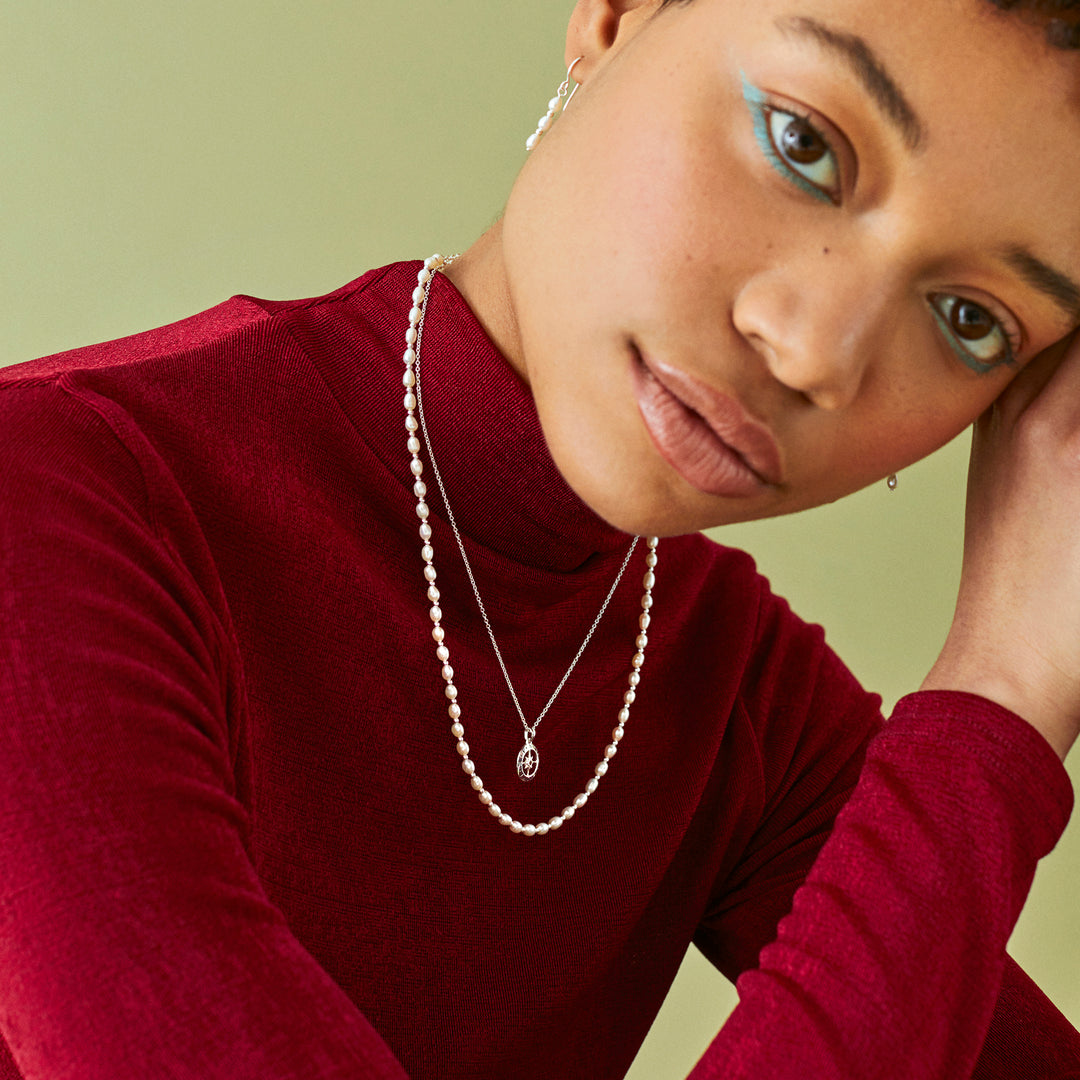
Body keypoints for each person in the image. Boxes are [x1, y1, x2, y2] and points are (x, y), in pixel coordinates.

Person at [1, 0, 1079, 1076]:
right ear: (615, 19)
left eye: (969, 319)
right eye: (803, 145)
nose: (815, 353)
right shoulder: (51, 497)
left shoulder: (730, 689)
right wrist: (1002, 689)